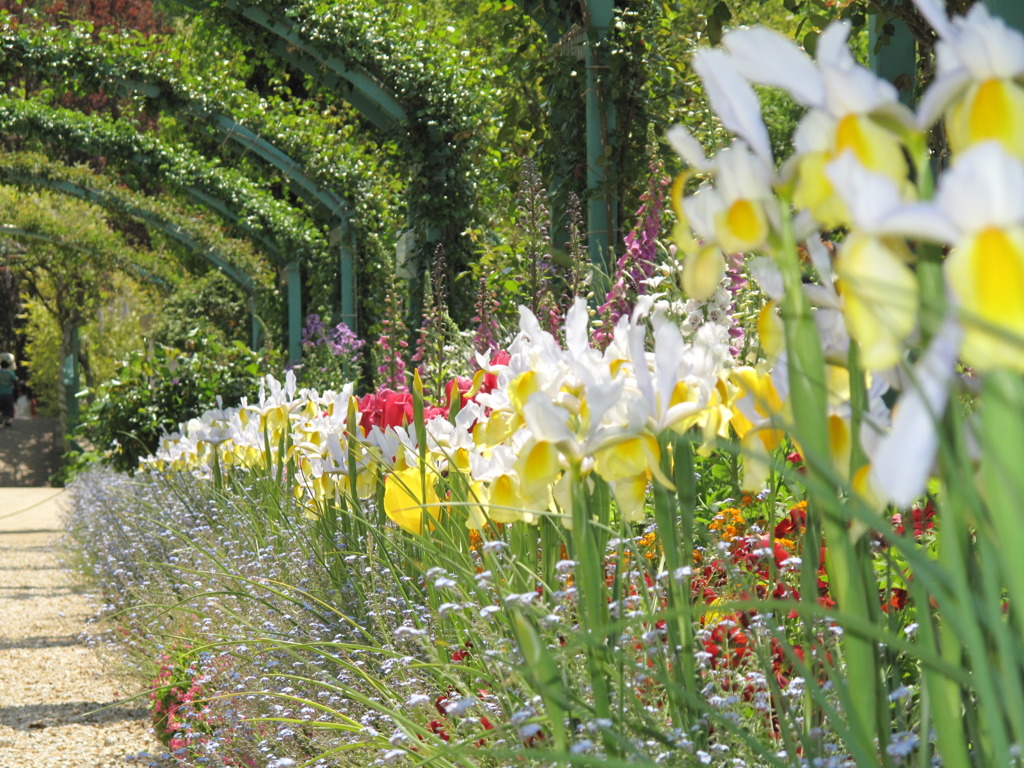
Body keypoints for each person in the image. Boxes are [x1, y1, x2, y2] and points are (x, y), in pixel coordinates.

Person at [0, 355, 16, 427]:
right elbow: (15, 381)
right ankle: (7, 421)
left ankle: (1, 419)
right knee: (8, 407)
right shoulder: (11, 373)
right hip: (8, 392)